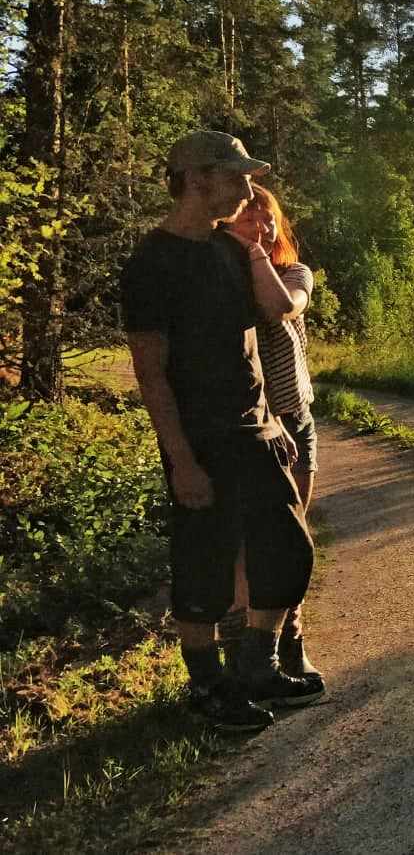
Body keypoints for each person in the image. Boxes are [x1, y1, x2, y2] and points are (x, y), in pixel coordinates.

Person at [121, 130, 325, 732]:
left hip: (256, 430)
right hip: (201, 439)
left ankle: (257, 668)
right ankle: (207, 687)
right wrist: (180, 458)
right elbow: (150, 372)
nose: (247, 187)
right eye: (235, 177)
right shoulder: (150, 263)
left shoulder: (230, 250)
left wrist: (270, 421)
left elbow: (275, 314)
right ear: (195, 180)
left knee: (289, 550)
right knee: (204, 565)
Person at [219, 186, 323, 682]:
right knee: (247, 540)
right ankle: (243, 645)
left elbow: (285, 308)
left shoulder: (292, 272)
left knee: (293, 536)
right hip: (251, 426)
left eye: (269, 221)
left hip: (295, 419)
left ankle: (290, 638)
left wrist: (256, 250)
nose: (263, 228)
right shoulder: (216, 279)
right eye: (250, 220)